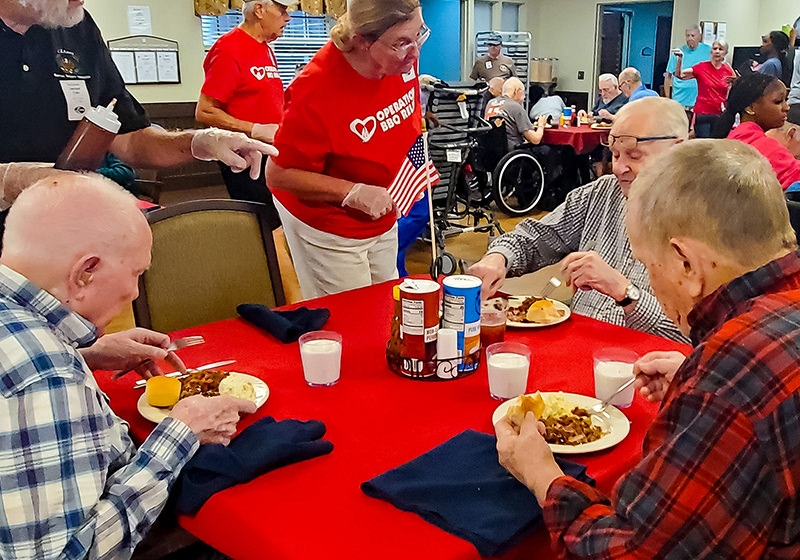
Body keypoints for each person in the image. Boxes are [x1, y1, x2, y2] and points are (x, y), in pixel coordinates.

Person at [495, 139, 800, 558]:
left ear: (685, 263)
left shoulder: (733, 373)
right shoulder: (759, 337)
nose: (651, 283)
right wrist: (696, 377)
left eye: (647, 266)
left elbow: (635, 551)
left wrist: (542, 475)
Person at [0, 174, 256, 558]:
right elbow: (68, 553)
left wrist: (86, 355)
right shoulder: (47, 377)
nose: (135, 292)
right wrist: (181, 435)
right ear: (85, 272)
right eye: (136, 273)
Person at [0, 0, 277, 211]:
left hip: (63, 221)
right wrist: (12, 181)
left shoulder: (75, 27)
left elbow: (130, 139)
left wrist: (200, 142)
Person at [468, 97, 689, 343]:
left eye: (634, 156)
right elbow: (535, 238)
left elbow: (696, 340)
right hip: (579, 346)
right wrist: (498, 259)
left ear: (677, 149)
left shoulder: (704, 222)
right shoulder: (602, 193)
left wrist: (625, 293)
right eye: (615, 155)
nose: (618, 168)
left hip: (646, 358)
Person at [266, 0, 430, 299]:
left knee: (386, 300)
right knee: (350, 311)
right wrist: (352, 192)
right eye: (401, 43)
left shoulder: (402, 60)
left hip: (381, 209)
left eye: (419, 34)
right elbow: (279, 174)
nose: (415, 53)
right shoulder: (315, 90)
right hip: (329, 223)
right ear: (362, 40)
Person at [196, 0, 294, 227]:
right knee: (264, 223)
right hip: (245, 155)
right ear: (259, 10)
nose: (288, 18)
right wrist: (255, 129)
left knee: (283, 220)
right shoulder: (229, 48)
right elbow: (205, 111)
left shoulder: (264, 47)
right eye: (282, 10)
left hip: (273, 152)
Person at [713, 72, 800, 188]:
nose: (787, 107)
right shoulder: (764, 147)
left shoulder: (736, 135)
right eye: (778, 101)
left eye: (786, 100)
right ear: (751, 108)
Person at [672, 39, 735, 137]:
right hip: (703, 113)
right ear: (711, 51)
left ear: (725, 52)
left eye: (720, 49)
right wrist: (680, 58)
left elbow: (734, 88)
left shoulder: (728, 70)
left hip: (719, 114)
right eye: (715, 49)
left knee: (717, 142)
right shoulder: (702, 67)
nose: (717, 51)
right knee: (704, 142)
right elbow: (679, 75)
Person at [485, 77, 548, 151]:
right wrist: (541, 125)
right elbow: (535, 139)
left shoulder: (490, 103)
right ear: (516, 91)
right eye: (523, 93)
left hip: (492, 149)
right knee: (546, 150)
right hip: (512, 149)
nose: (524, 97)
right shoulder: (515, 107)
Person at [665, 25, 711, 123]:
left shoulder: (709, 51)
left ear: (700, 37)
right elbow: (668, 76)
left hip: (699, 101)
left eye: (693, 36)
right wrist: (667, 99)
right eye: (687, 35)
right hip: (680, 99)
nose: (690, 38)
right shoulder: (678, 52)